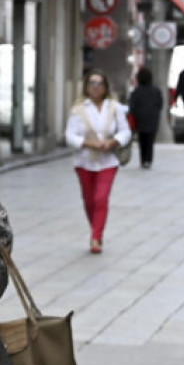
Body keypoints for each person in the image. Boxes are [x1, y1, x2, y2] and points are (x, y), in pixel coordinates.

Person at [66, 69, 132, 254]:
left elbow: (126, 131)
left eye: (99, 83)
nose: (96, 87)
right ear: (86, 86)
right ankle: (96, 228)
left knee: (100, 198)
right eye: (92, 83)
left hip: (108, 161)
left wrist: (113, 141)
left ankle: (96, 237)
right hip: (84, 161)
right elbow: (70, 135)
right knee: (89, 200)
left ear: (105, 87)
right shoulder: (78, 109)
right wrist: (87, 143)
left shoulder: (115, 107)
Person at [127, 66, 164, 169]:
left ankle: (143, 160)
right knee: (150, 140)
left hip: (140, 119)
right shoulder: (156, 90)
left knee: (142, 140)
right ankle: (149, 159)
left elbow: (132, 106)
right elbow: (160, 103)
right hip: (152, 118)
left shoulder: (136, 91)